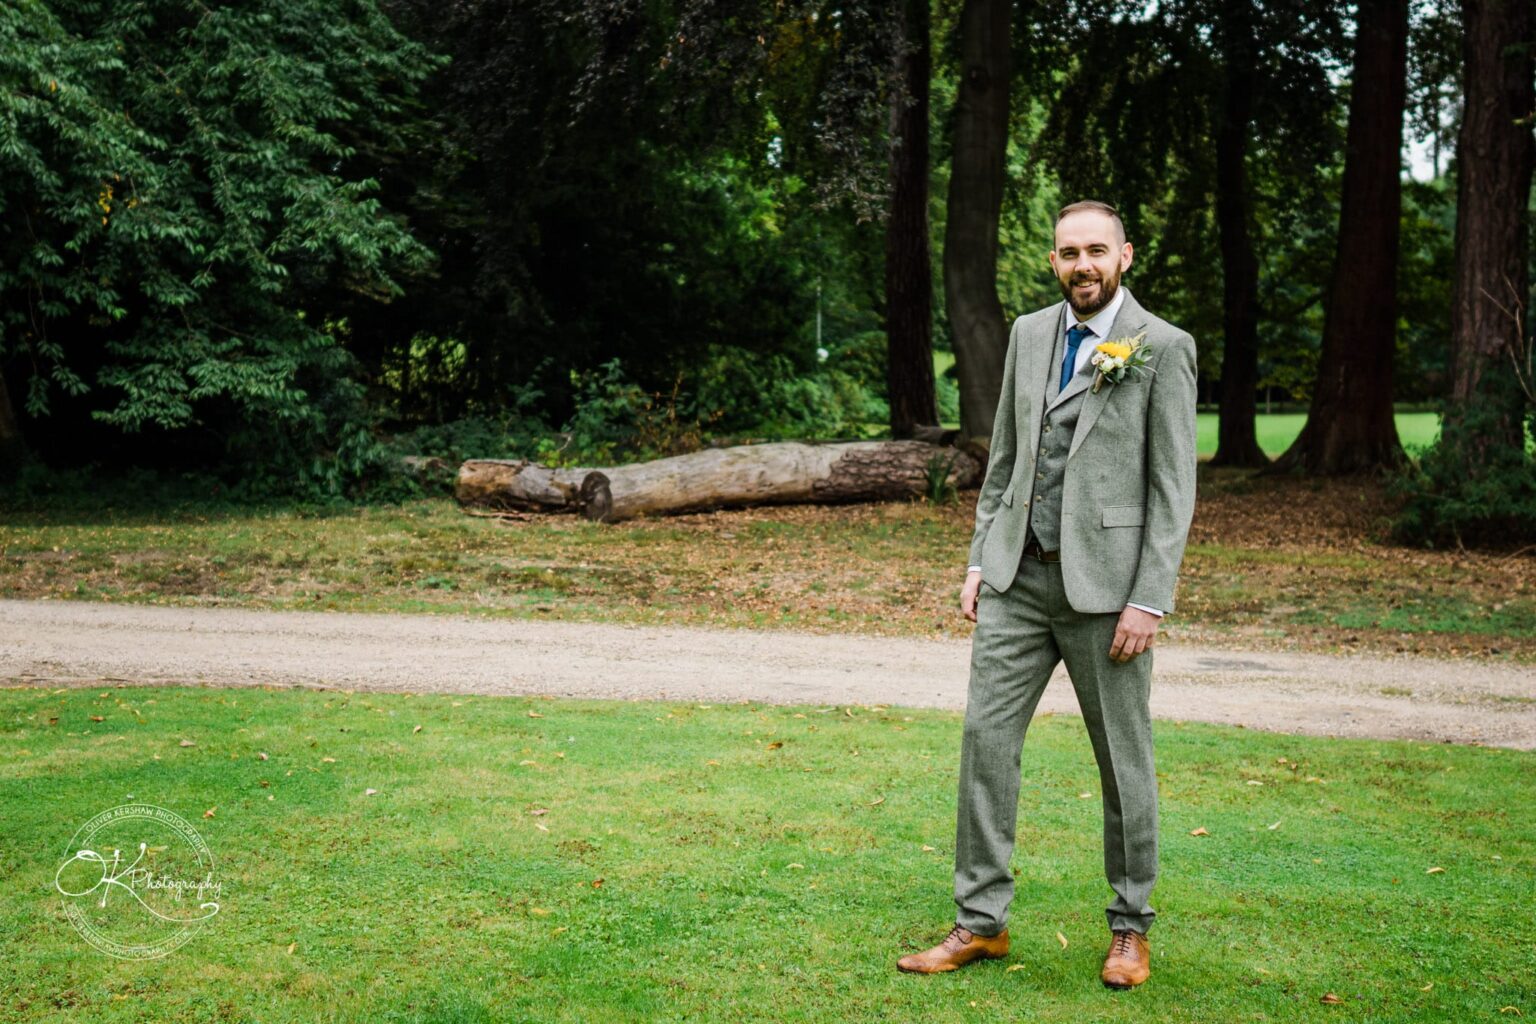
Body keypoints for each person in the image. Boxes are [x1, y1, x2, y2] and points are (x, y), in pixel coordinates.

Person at [896, 200, 1197, 989]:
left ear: (1126, 255)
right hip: (1014, 581)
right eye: (1069, 253)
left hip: (1109, 595)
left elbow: (1173, 491)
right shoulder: (1031, 334)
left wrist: (1149, 598)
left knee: (1122, 761)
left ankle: (1131, 927)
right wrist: (977, 557)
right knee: (985, 746)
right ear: (1054, 260)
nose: (1082, 266)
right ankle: (979, 923)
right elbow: (1007, 457)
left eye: (1097, 251)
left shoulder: (1163, 348)